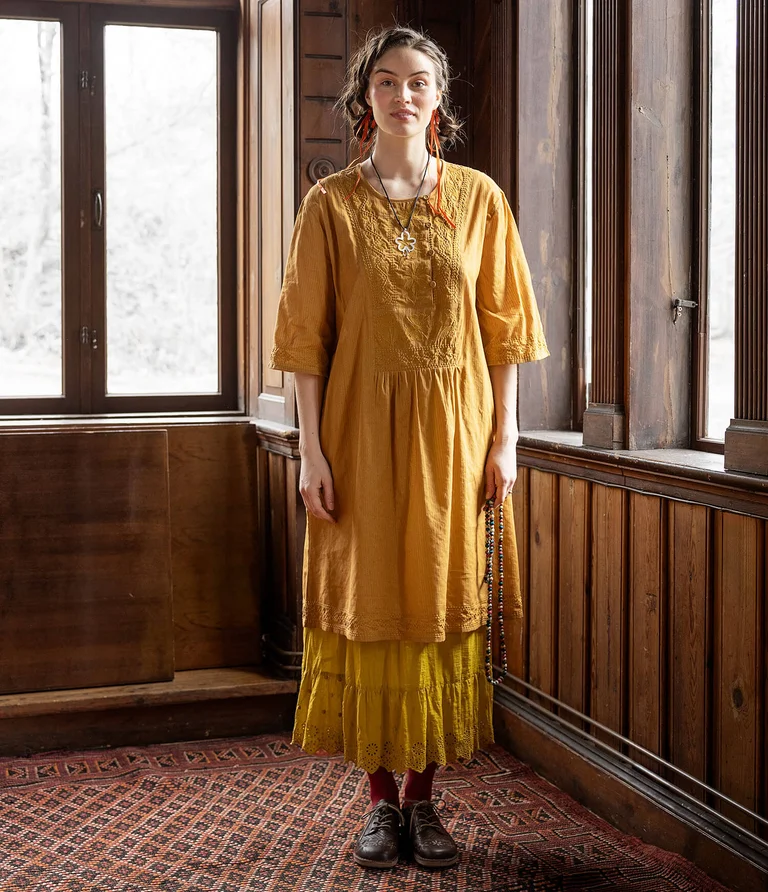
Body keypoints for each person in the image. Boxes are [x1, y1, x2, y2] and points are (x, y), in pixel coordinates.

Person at [270, 24, 549, 870]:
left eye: (418, 82)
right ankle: (377, 806)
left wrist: (507, 437)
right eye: (386, 82)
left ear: (439, 100)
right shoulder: (329, 205)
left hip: (457, 441)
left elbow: (506, 330)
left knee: (432, 607)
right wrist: (311, 452)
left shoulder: (479, 199)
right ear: (366, 100)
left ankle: (424, 803)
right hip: (354, 438)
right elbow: (304, 344)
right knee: (368, 612)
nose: (403, 95)